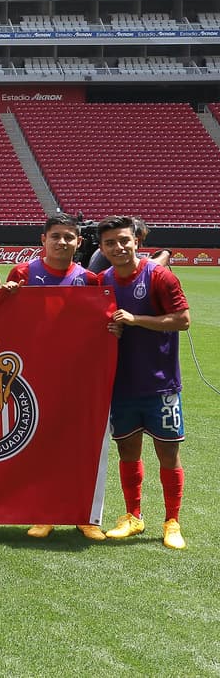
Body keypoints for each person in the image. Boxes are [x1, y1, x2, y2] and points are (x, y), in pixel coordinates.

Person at [8, 213, 105, 541]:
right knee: (41, 446)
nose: (62, 242)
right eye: (56, 236)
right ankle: (44, 511)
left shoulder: (90, 280)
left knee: (83, 445)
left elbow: (100, 327)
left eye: (69, 237)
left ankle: (86, 515)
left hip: (78, 375)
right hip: (33, 374)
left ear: (78, 242)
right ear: (43, 240)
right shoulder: (22, 274)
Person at [97, 216, 191, 549]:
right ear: (102, 248)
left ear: (136, 240)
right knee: (127, 451)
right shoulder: (104, 280)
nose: (118, 247)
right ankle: (133, 516)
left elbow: (183, 320)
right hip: (121, 384)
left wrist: (136, 320)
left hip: (161, 384)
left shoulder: (159, 276)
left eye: (124, 240)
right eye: (110, 243)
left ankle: (172, 521)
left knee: (168, 453)